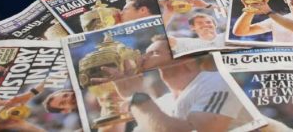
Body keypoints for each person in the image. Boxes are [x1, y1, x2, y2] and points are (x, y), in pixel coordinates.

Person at [106, 35, 253, 132]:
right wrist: (111, 107)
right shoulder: (161, 103)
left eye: (154, 53)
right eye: (146, 53)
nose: (143, 58)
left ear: (186, 58)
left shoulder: (216, 81)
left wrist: (136, 96)